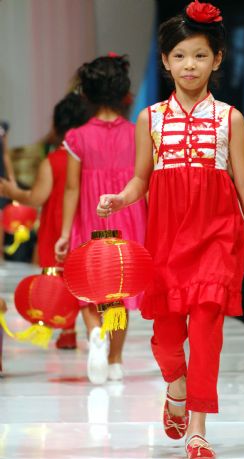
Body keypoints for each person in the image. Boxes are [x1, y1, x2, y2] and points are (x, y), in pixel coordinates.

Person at [97, 1, 244, 459]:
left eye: (198, 55)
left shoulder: (229, 118)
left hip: (218, 236)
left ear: (217, 59)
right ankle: (175, 384)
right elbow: (141, 179)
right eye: (179, 56)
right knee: (167, 338)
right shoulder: (150, 119)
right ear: (166, 61)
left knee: (208, 330)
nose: (189, 65)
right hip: (167, 242)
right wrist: (120, 198)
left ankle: (198, 427)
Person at [55, 54, 147, 384]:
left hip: (91, 215)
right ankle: (116, 360)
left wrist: (65, 232)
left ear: (88, 94)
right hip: (128, 218)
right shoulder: (138, 134)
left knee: (88, 284)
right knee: (119, 289)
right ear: (123, 92)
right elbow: (145, 183)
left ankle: (95, 331)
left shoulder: (78, 137)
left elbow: (70, 188)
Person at [0, 93, 90, 348]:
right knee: (85, 281)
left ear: (57, 126)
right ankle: (95, 332)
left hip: (57, 230)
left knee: (59, 281)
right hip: (85, 228)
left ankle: (67, 332)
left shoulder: (54, 161)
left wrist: (11, 192)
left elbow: (36, 197)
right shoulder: (90, 160)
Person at [0, 121, 15, 262]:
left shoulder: (2, 127)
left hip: (0, 179)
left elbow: (5, 154)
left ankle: (0, 254)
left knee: (0, 216)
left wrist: (11, 179)